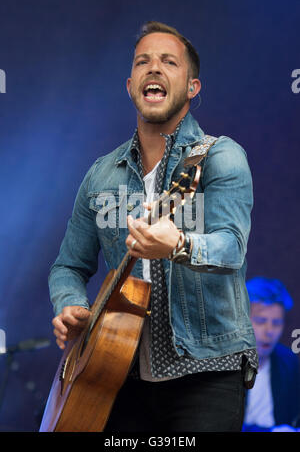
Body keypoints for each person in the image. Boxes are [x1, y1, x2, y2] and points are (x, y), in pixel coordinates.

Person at [49, 21, 258, 432]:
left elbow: (231, 248)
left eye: (168, 62)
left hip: (207, 369)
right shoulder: (101, 174)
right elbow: (68, 266)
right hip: (116, 373)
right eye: (143, 61)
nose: (154, 68)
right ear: (131, 85)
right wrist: (70, 305)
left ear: (192, 87)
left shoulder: (221, 157)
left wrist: (178, 243)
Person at [243, 277, 300, 432]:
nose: (269, 332)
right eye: (261, 321)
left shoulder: (288, 362)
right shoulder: (218, 364)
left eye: (276, 324)